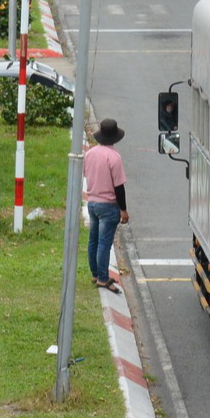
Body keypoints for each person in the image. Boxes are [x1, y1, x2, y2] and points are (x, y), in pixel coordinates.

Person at [84, 118, 128, 292]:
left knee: (93, 240)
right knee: (104, 243)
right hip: (108, 205)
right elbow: (119, 187)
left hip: (92, 202)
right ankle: (103, 278)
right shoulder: (114, 158)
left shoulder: (90, 153)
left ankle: (96, 274)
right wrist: (123, 210)